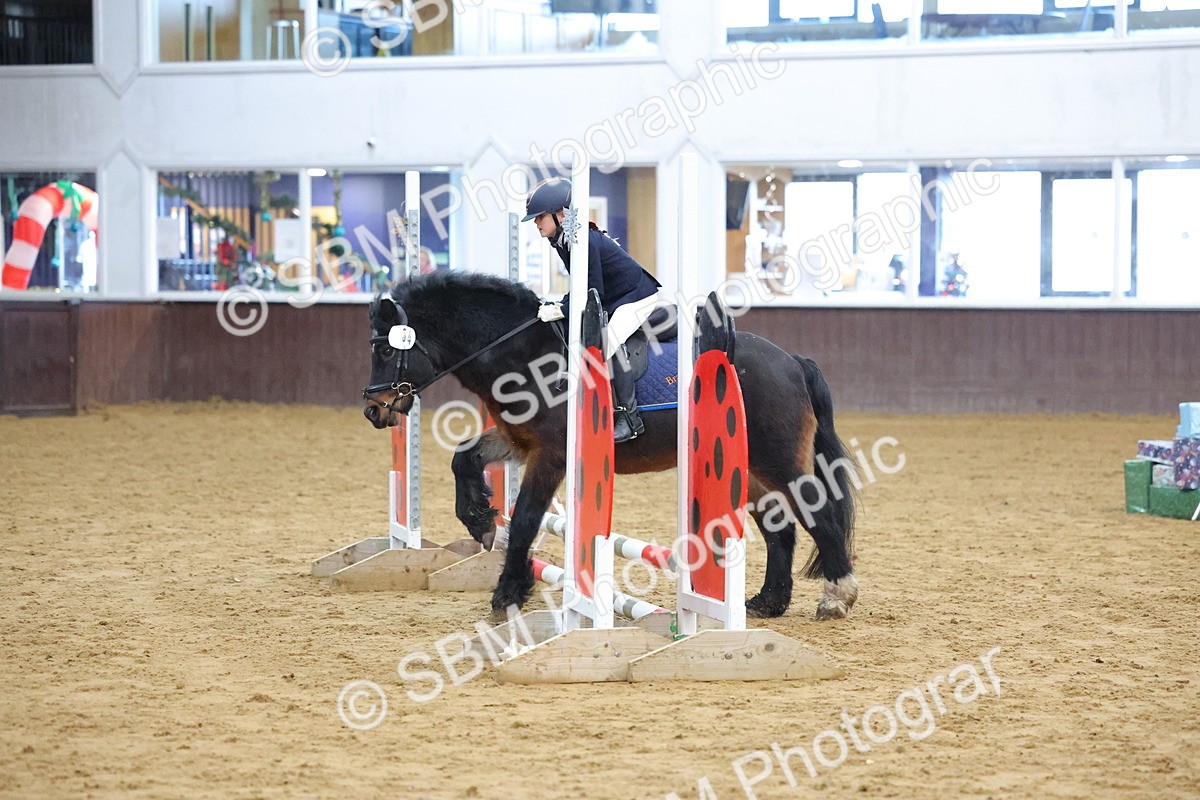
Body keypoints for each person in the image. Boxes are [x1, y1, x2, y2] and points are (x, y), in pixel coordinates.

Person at [523, 177, 662, 443]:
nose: (536, 223)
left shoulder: (581, 240)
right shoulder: (563, 239)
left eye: (540, 217)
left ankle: (630, 419)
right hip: (615, 296)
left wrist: (563, 308)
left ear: (560, 214)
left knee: (605, 344)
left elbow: (591, 290)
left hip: (636, 296)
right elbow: (581, 283)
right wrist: (559, 305)